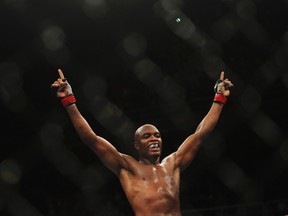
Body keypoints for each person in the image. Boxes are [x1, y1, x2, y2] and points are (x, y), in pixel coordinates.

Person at [51, 69, 233, 216]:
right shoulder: (127, 167)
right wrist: (69, 101)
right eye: (147, 136)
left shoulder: (172, 164)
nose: (154, 139)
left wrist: (219, 99)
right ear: (137, 146)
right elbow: (91, 139)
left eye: (157, 135)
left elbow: (200, 134)